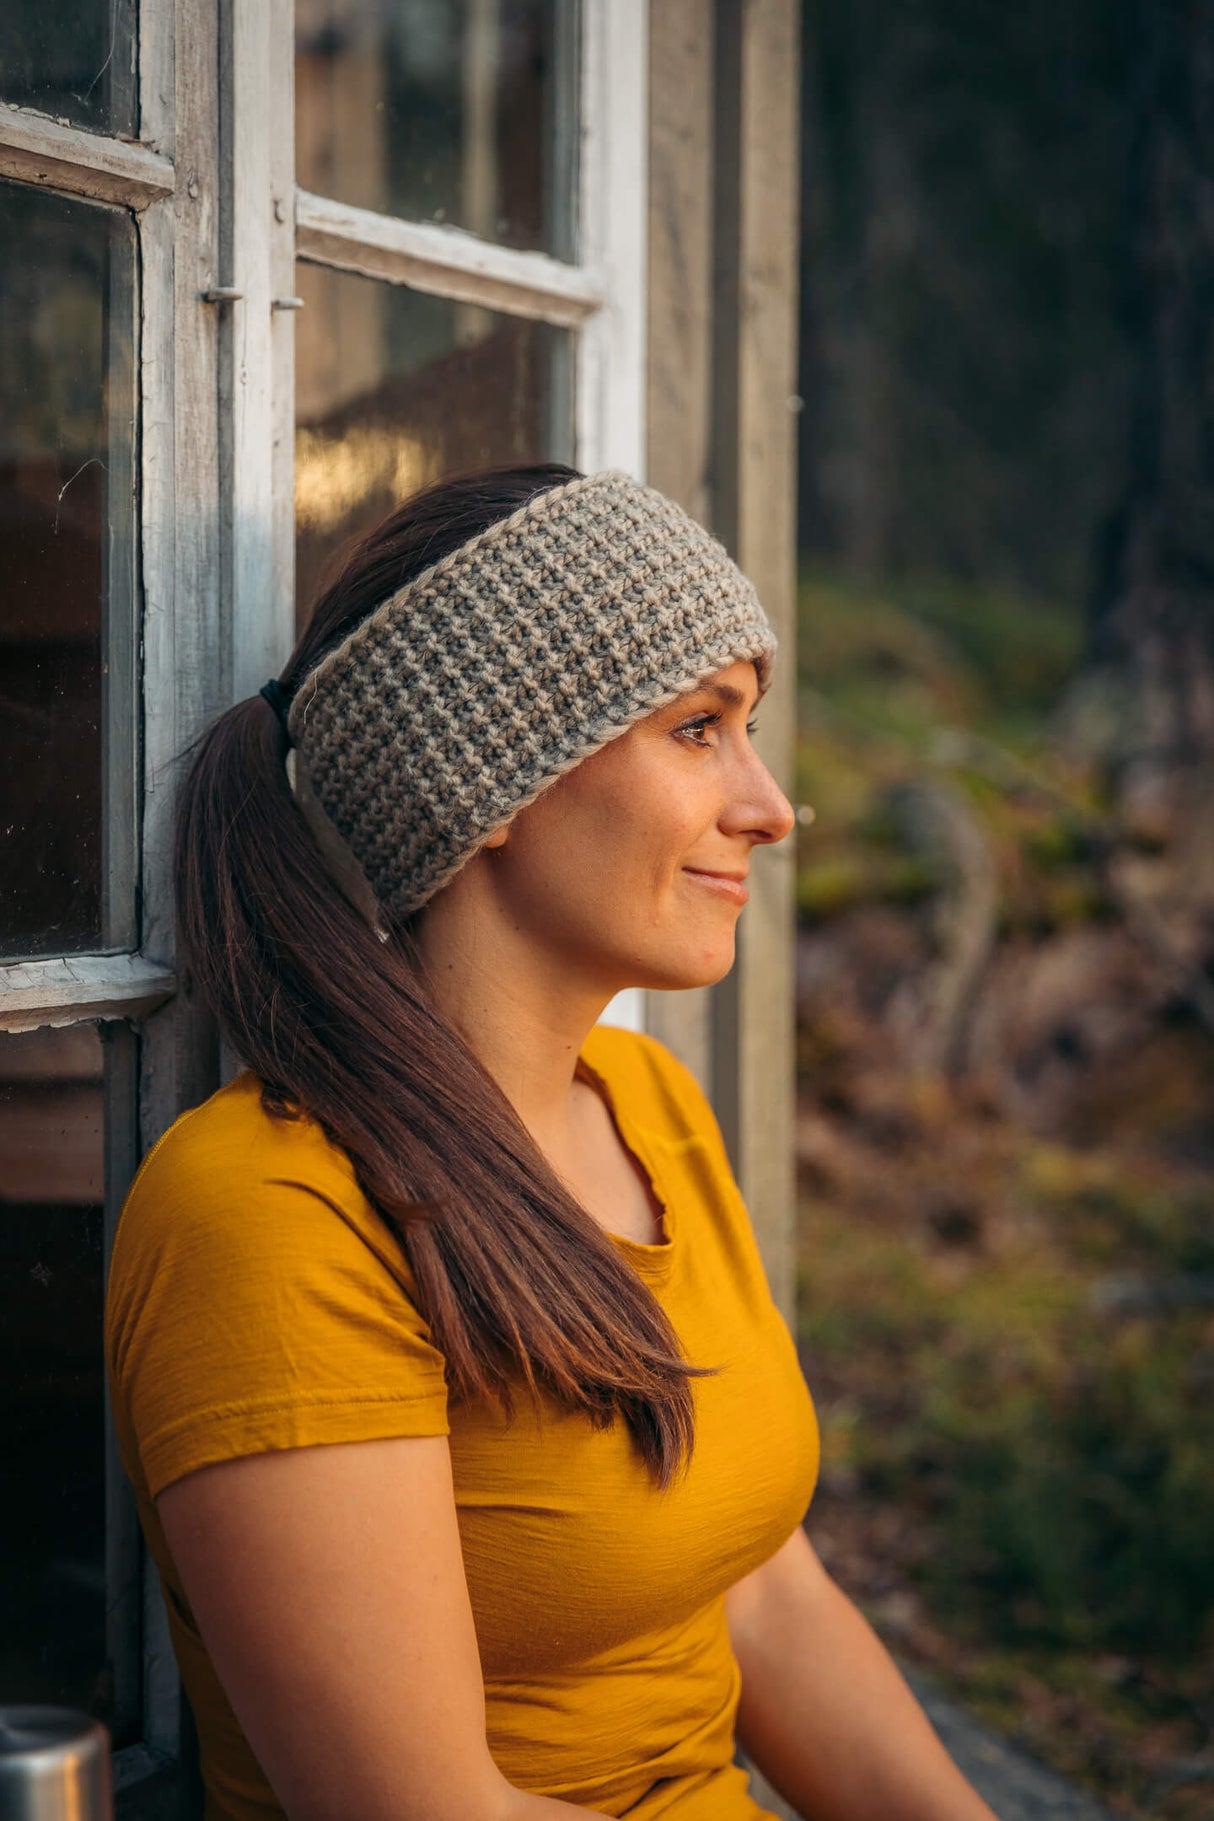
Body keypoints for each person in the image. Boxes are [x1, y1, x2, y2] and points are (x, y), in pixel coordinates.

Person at [105, 465, 997, 1821]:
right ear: (488, 774)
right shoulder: (268, 1213)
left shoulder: (648, 1104)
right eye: (699, 728)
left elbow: (758, 1587)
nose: (768, 806)